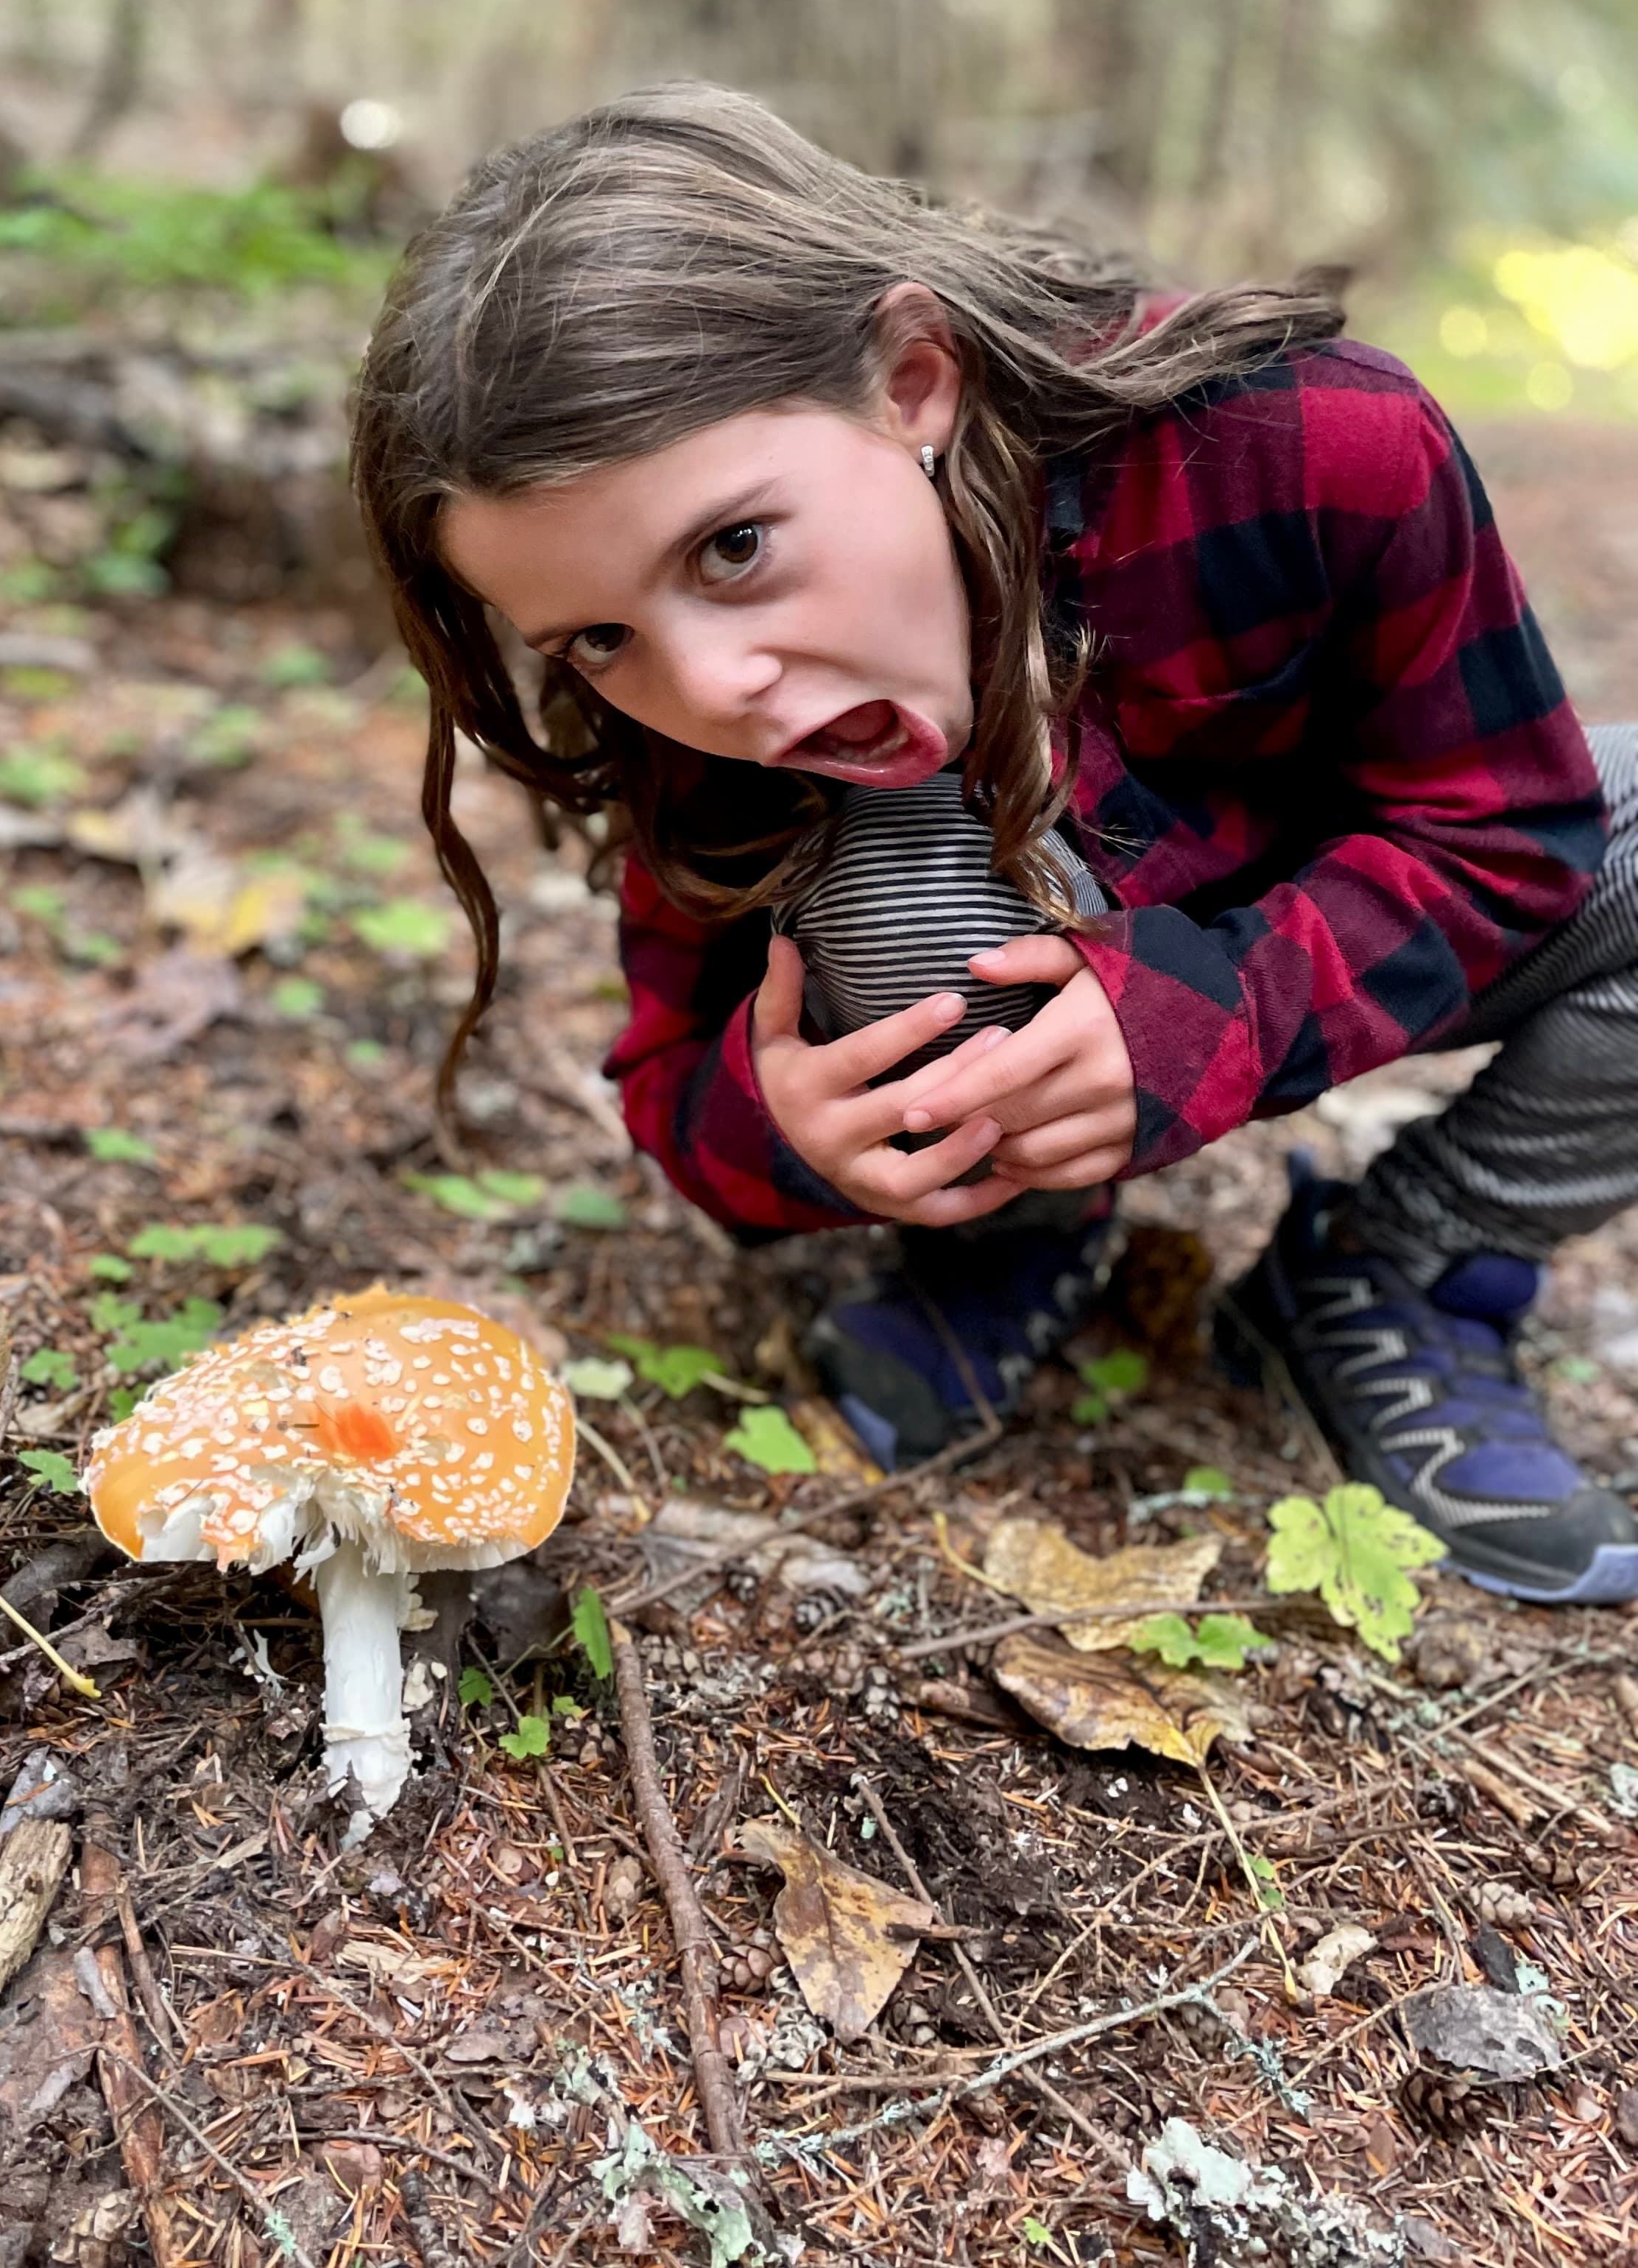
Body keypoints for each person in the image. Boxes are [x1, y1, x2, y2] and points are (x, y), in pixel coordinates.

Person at [349, 82, 1638, 1607]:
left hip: (1303, 898)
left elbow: (1508, 829)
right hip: (980, 995)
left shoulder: (1310, 446)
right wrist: (798, 1133)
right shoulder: (688, 710)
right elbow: (670, 1073)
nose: (711, 690)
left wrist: (1201, 1019)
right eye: (604, 636)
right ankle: (1001, 1238)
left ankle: (1402, 1271)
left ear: (911, 379)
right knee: (887, 874)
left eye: (736, 548)